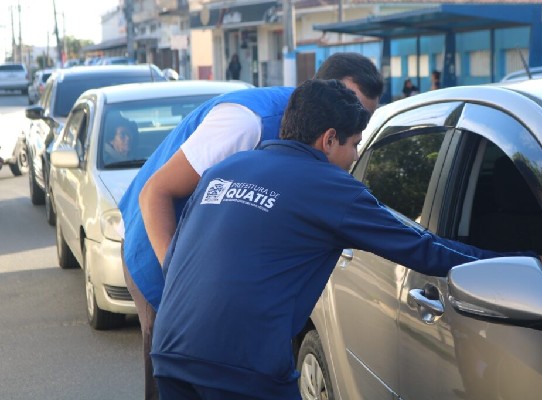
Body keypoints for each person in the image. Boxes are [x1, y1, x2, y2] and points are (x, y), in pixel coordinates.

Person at [150, 79, 542, 399]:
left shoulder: (227, 169)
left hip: (170, 352)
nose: (355, 157)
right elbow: (423, 248)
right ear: (328, 139)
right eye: (354, 145)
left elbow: (180, 255)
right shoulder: (328, 187)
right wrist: (520, 263)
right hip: (241, 366)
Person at [118, 52, 384, 400]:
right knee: (178, 364)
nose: (355, 122)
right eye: (351, 105)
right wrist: (180, 284)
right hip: (157, 245)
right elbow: (155, 193)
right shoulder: (248, 123)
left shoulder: (322, 138)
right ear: (322, 90)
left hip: (207, 259)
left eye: (365, 117)